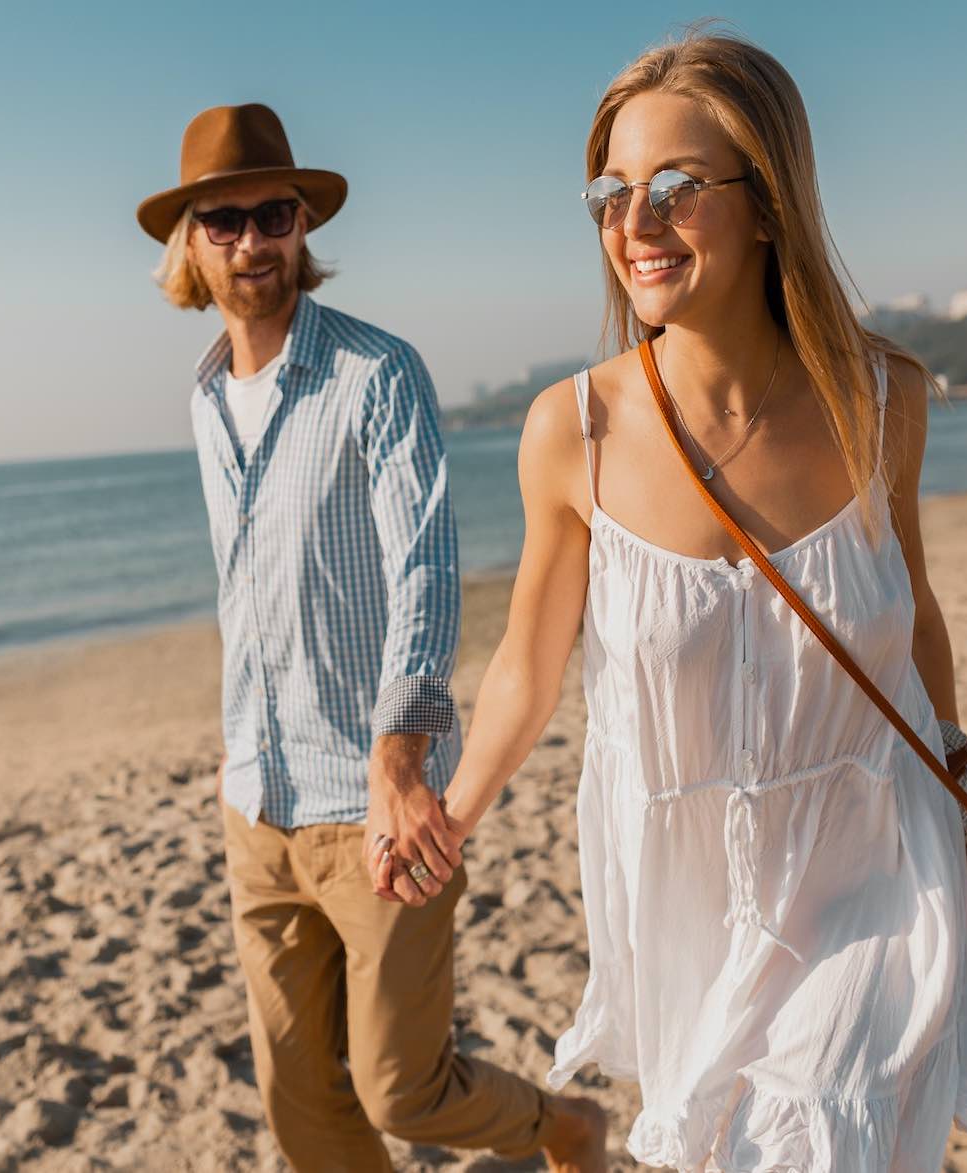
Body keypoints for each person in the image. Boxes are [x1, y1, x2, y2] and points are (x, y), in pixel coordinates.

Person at [373, 30, 967, 1171]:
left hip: (871, 861)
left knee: (823, 1131)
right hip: (683, 906)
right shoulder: (574, 433)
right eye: (611, 193)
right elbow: (527, 659)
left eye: (675, 188)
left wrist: (959, 787)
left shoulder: (881, 400)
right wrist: (452, 814)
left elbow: (912, 615)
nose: (634, 223)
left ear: (768, 203)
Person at [136, 103, 606, 1171]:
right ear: (191, 243)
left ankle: (563, 1126)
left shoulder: (376, 375)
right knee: (299, 1102)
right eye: (224, 221)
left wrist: (399, 762)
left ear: (303, 225)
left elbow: (427, 568)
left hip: (375, 811)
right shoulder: (207, 395)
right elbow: (245, 595)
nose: (252, 240)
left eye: (272, 214)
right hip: (256, 802)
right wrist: (233, 761)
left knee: (402, 1088)